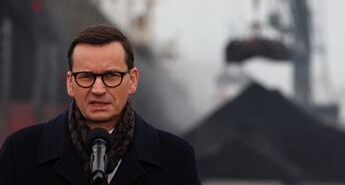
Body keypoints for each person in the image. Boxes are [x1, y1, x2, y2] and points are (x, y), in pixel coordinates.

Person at [0, 25, 201, 185]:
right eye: (86, 76)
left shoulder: (177, 159)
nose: (98, 89)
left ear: (132, 80)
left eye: (111, 76)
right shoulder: (20, 154)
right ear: (70, 83)